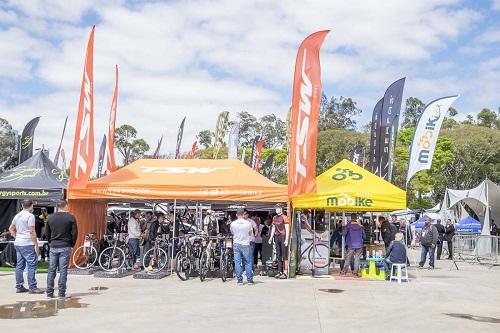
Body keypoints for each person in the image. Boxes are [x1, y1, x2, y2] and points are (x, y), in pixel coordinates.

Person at [9, 200, 43, 294]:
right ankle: (32, 287)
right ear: (31, 206)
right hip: (27, 243)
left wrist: (17, 237)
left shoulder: (18, 215)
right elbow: (32, 231)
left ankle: (19, 286)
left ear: (22, 206)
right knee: (32, 264)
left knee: (20, 265)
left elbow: (11, 229)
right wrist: (36, 245)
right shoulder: (30, 216)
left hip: (18, 243)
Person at [45, 200, 78, 299]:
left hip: (54, 245)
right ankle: (61, 293)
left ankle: (49, 293)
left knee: (51, 270)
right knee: (63, 270)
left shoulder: (50, 217)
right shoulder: (71, 217)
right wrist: (72, 244)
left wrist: (50, 242)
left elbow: (47, 233)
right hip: (65, 245)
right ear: (66, 206)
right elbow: (75, 233)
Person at [230, 208, 254, 285]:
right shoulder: (248, 223)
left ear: (236, 215)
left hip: (236, 243)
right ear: (243, 214)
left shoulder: (233, 223)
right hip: (246, 243)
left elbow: (232, 232)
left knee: (237, 262)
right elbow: (251, 234)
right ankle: (249, 280)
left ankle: (239, 280)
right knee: (248, 262)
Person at [269, 207, 289, 279]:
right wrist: (271, 238)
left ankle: (285, 271)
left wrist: (286, 239)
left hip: (283, 236)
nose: (277, 210)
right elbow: (273, 228)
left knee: (284, 255)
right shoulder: (274, 217)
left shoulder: (284, 217)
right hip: (276, 237)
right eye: (276, 208)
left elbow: (287, 228)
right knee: (278, 255)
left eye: (278, 208)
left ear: (281, 209)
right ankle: (279, 271)